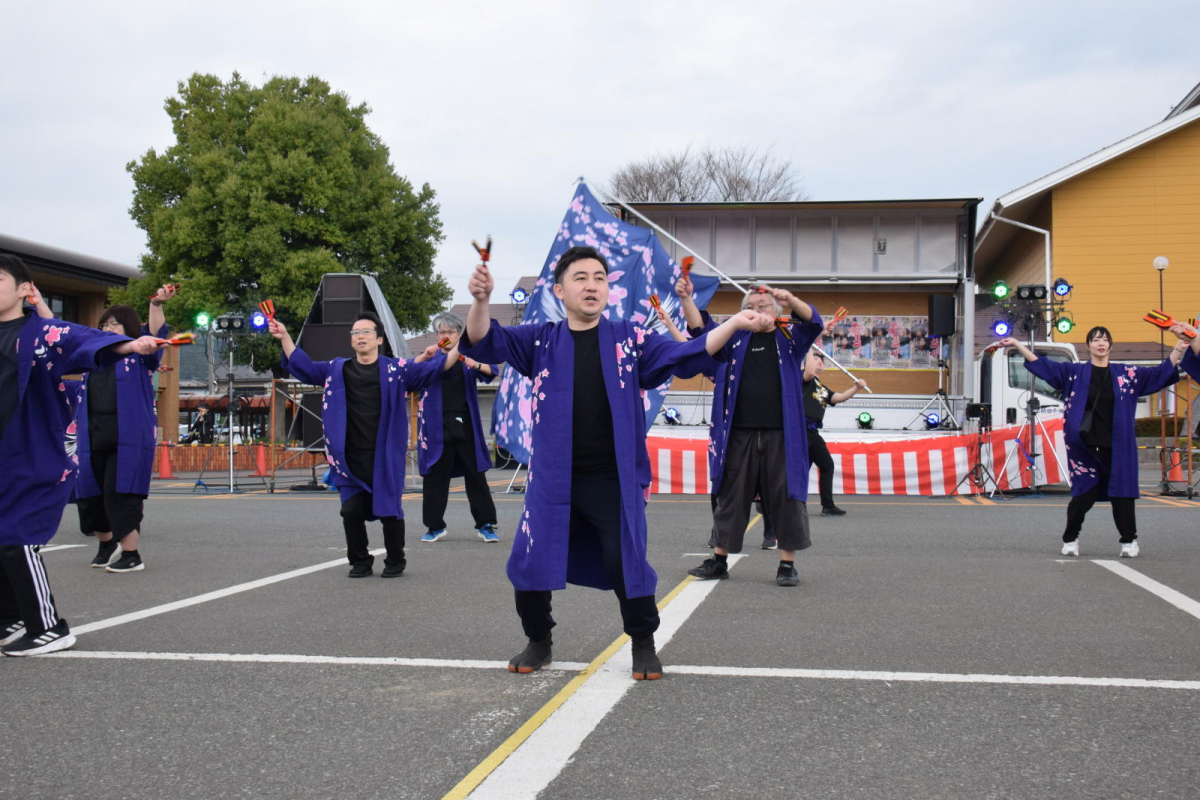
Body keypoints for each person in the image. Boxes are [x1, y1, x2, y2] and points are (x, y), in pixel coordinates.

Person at [462, 245, 773, 680]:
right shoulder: (540, 339)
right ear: (559, 289)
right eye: (580, 277)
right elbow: (482, 340)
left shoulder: (630, 337)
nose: (591, 285)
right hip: (553, 479)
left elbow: (685, 356)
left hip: (612, 478)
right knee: (532, 561)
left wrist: (738, 321)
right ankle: (539, 639)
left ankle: (643, 643)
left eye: (599, 278)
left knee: (624, 560)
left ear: (608, 289)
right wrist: (479, 301)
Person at [0, 255, 165, 656]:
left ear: (25, 289)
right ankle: (11, 618)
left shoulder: (41, 332)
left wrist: (130, 343)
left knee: (15, 537)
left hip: (31, 450)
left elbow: (82, 341)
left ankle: (49, 626)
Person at [272, 312, 451, 578]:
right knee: (350, 509)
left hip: (384, 456)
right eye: (355, 333)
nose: (360, 336)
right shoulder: (335, 369)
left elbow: (435, 368)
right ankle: (359, 561)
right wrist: (285, 336)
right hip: (348, 458)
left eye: (366, 332)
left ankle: (395, 560)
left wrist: (459, 345)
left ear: (378, 339)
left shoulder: (395, 369)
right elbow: (305, 367)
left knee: (390, 511)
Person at [678, 282, 824, 586]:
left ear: (777, 311)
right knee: (730, 496)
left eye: (763, 306)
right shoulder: (736, 338)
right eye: (751, 307)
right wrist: (686, 298)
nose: (756, 311)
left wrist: (792, 299)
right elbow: (701, 331)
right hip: (737, 434)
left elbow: (814, 322)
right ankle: (719, 560)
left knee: (787, 497)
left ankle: (787, 565)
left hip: (783, 435)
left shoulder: (790, 338)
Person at [1000, 328, 1186, 557]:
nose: (1101, 343)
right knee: (1082, 496)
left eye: (1105, 340)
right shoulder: (1074, 372)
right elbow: (1044, 366)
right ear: (1087, 346)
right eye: (1096, 340)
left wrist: (1179, 347)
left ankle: (1129, 542)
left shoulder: (1126, 373)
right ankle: (1070, 539)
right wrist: (1018, 345)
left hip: (1119, 447)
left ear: (1110, 346)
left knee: (1123, 496)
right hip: (1084, 447)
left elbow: (1159, 373)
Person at [56, 285, 173, 572]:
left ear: (129, 328)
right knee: (89, 497)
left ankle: (132, 555)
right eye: (103, 324)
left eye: (114, 323)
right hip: (92, 437)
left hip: (127, 439)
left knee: (120, 495)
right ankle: (107, 543)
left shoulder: (141, 355)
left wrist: (156, 304)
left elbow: (156, 336)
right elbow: (56, 332)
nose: (107, 328)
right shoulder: (91, 361)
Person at [413, 311, 501, 544]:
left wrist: (477, 363)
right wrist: (424, 355)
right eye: (441, 332)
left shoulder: (466, 356)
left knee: (475, 475)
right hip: (436, 426)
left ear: (459, 333)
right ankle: (434, 526)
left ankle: (486, 525)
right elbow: (410, 371)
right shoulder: (432, 358)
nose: (445, 335)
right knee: (435, 476)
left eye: (450, 332)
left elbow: (493, 370)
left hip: (465, 423)